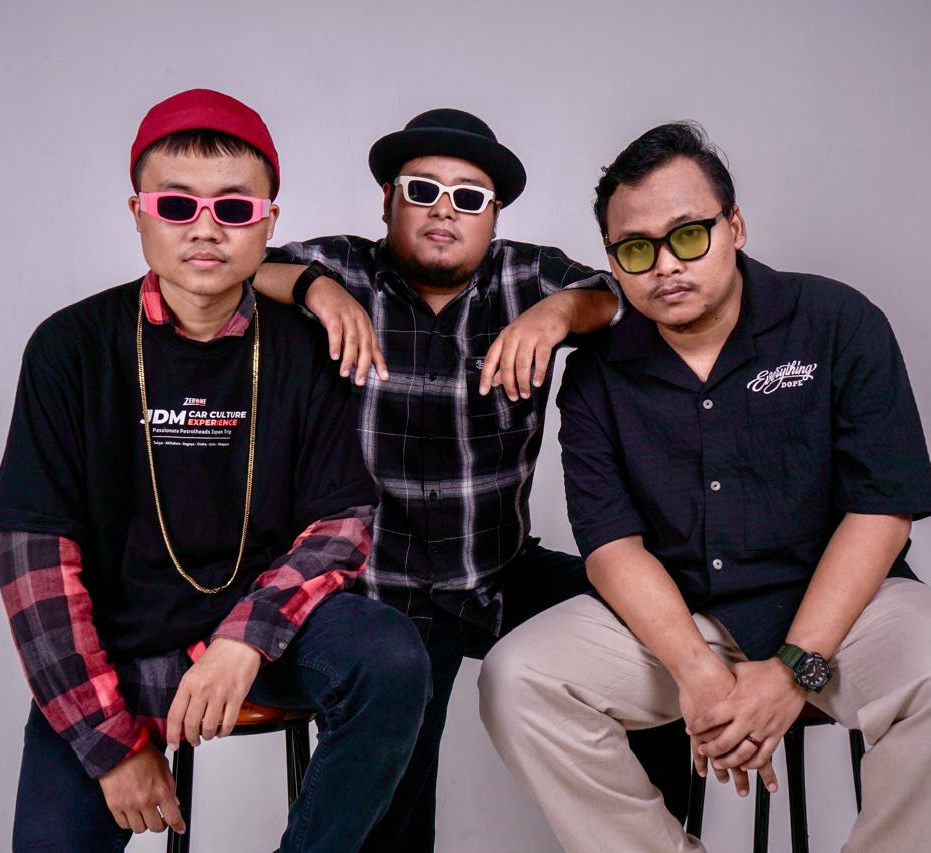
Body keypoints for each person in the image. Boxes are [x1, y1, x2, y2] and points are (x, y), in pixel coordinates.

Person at [479, 122, 931, 852]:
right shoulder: (597, 375)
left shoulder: (836, 322)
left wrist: (793, 671)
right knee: (517, 680)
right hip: (682, 619)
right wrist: (696, 671)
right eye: (636, 250)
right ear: (613, 261)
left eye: (688, 235)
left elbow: (882, 511)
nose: (666, 265)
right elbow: (611, 546)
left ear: (734, 226)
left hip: (843, 612)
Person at [0, 88, 430, 853]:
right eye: (176, 203)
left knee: (388, 654)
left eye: (233, 208)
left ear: (269, 223)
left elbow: (341, 524)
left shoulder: (306, 348)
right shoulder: (69, 347)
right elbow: (36, 566)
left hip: (262, 645)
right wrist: (111, 745)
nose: (204, 227)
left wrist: (244, 639)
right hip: (116, 660)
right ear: (138, 213)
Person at [253, 109, 684, 852]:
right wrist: (316, 290)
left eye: (469, 196)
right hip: (376, 590)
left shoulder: (526, 276)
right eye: (422, 190)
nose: (444, 210)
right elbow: (237, 265)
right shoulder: (344, 269)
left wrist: (556, 314)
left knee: (658, 625)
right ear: (387, 202)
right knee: (391, 819)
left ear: (495, 215)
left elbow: (613, 296)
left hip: (494, 570)